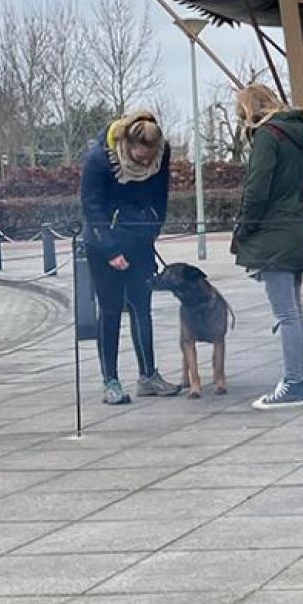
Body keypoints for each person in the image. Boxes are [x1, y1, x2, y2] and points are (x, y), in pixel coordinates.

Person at [80, 110, 177, 404]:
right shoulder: (100, 159)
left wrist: (152, 229)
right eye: (140, 156)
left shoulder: (161, 153)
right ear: (127, 143)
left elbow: (161, 195)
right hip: (104, 241)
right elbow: (91, 206)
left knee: (141, 306)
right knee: (110, 310)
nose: (146, 162)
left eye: (152, 156)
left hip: (140, 238)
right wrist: (110, 249)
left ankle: (148, 375)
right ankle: (111, 380)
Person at [230, 84, 303, 410]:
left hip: (273, 232)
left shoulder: (267, 137)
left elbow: (257, 189)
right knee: (295, 313)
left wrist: (244, 228)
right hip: (295, 227)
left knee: (286, 314)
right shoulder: (295, 134)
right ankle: (296, 381)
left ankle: (294, 385)